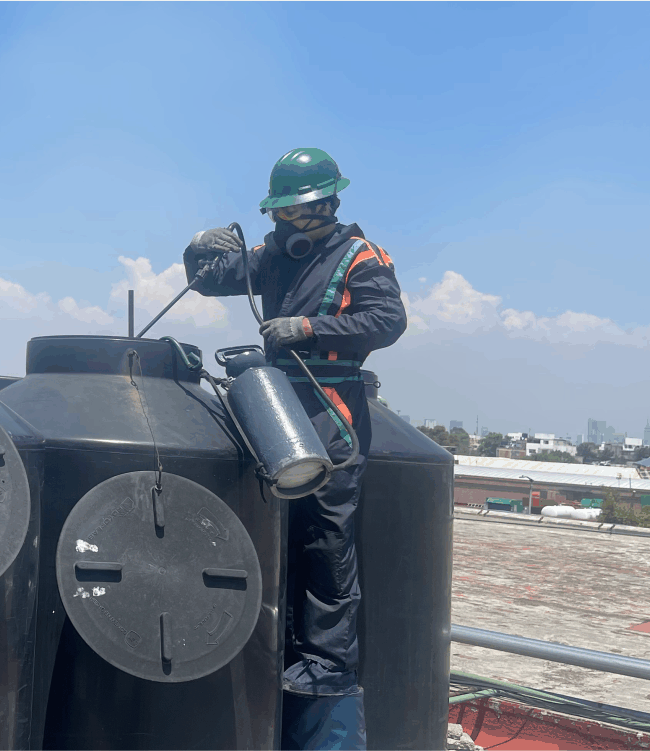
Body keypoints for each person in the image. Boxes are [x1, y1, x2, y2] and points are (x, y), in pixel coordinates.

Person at [182, 147, 407, 750]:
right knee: (268, 528)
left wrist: (308, 329)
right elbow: (210, 282)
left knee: (325, 536)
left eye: (295, 215)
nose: (285, 228)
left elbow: (388, 320)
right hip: (278, 402)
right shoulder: (274, 256)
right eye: (279, 217)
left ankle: (327, 669)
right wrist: (201, 250)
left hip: (329, 405)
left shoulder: (360, 257)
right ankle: (268, 646)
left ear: (324, 206)